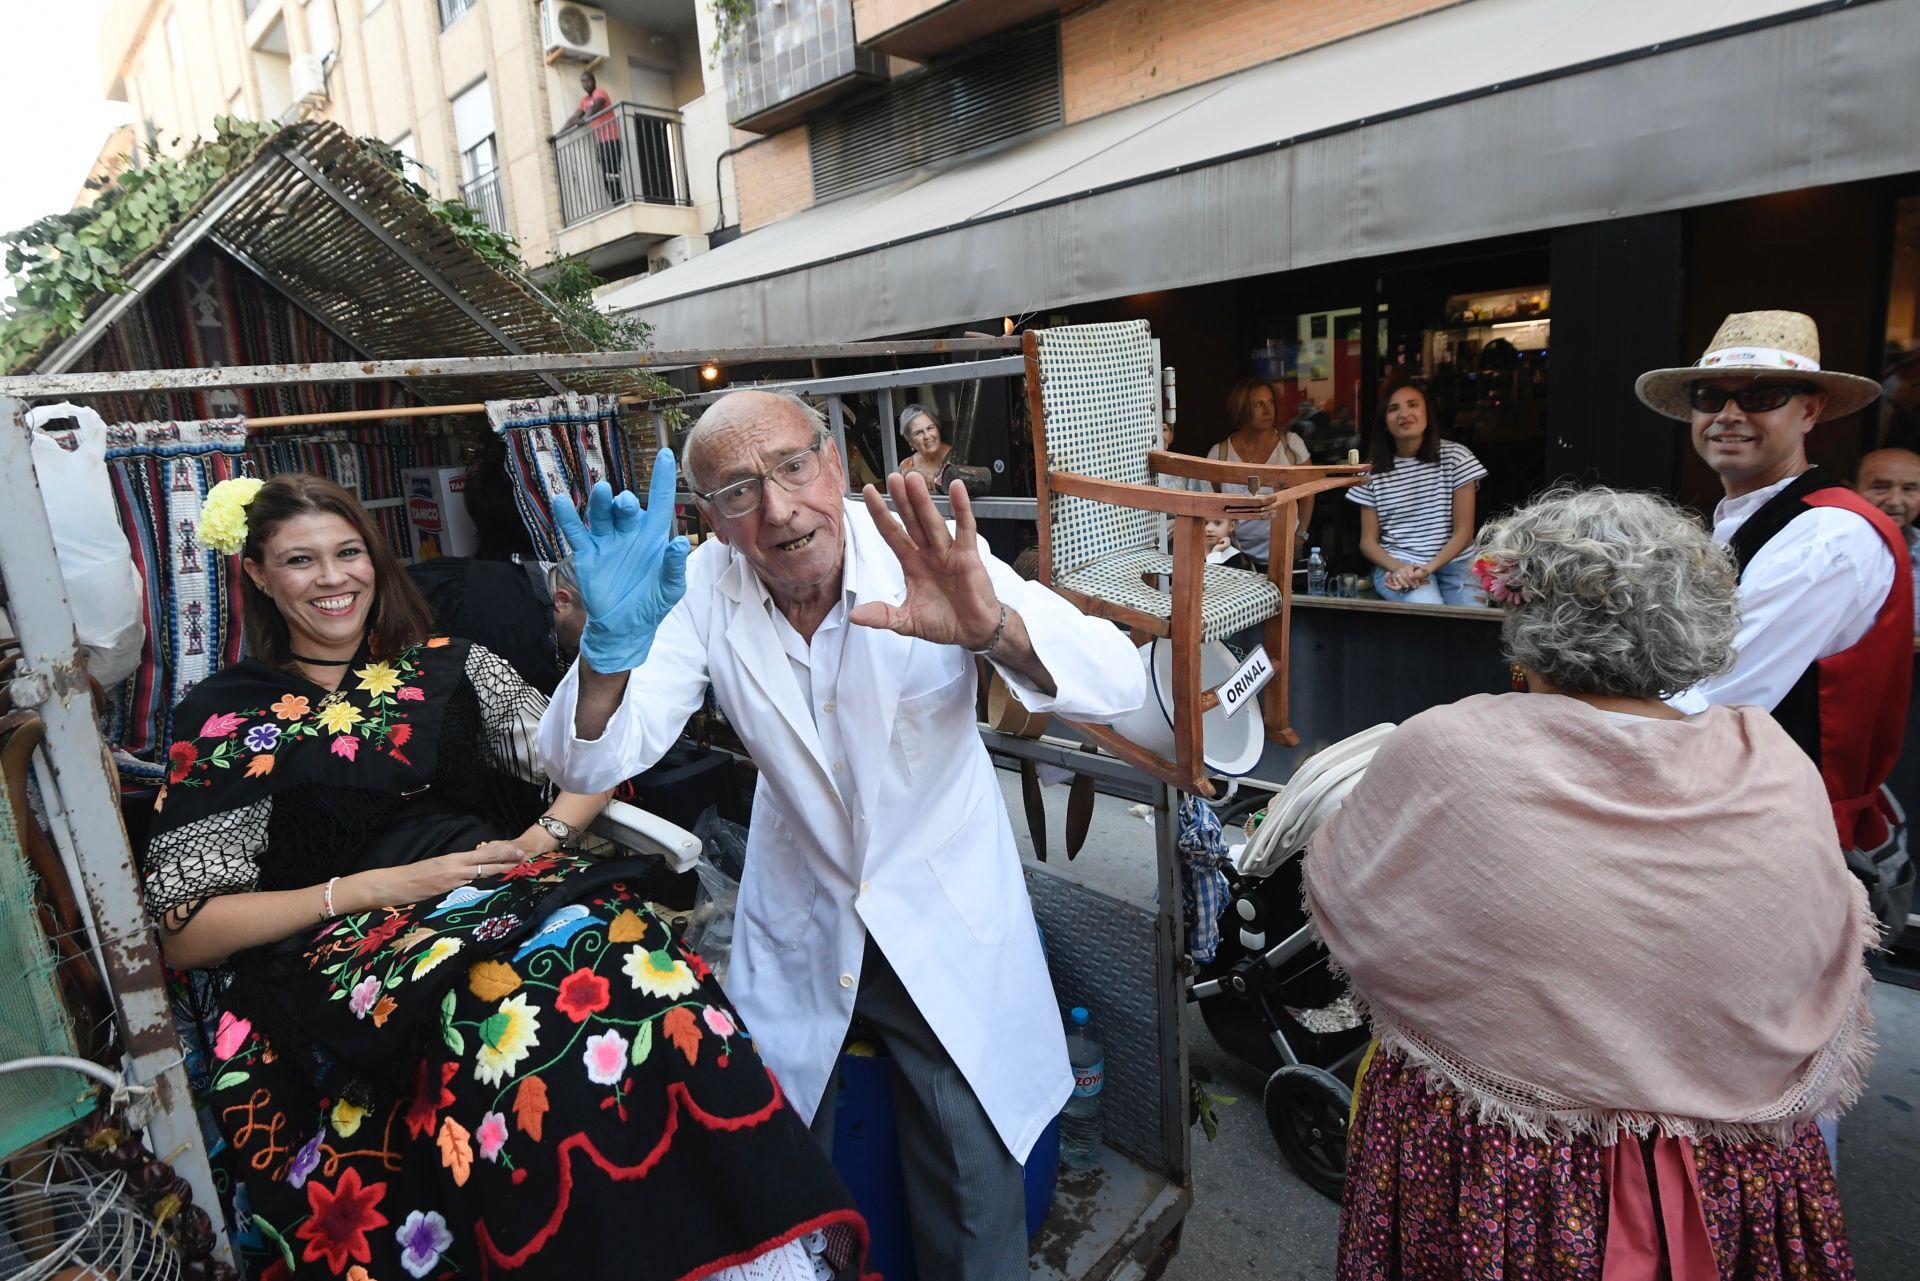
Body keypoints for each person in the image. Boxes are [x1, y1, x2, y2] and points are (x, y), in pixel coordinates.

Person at [142, 473, 867, 1281]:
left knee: (646, 967)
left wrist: (544, 834)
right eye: (300, 560)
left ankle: (747, 1257)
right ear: (257, 573)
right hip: (349, 937)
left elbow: (592, 754)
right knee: (517, 1022)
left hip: (507, 890)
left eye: (348, 552)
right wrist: (372, 889)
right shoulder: (228, 715)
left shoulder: (452, 667)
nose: (332, 577)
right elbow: (188, 930)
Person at [535, 391, 1146, 1281]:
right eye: (739, 491)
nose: (779, 509)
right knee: (780, 1176)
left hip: (944, 916)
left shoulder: (918, 546)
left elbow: (1116, 677)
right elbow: (593, 755)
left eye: (791, 467)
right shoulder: (704, 585)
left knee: (974, 1190)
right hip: (806, 911)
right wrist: (605, 656)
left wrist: (993, 632)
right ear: (711, 518)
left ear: (832, 461)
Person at [1309, 487, 1876, 1281]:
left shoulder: (1451, 746)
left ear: (1526, 622)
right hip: (1731, 1174)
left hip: (1502, 1169)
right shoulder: (1772, 757)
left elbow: (1354, 894)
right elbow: (1807, 945)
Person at [1643, 312, 1911, 889]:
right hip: (1736, 813)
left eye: (1761, 396)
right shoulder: (1756, 519)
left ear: (1810, 411)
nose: (1728, 414)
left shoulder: (1827, 535)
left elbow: (1713, 699)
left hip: (1778, 833)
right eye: (1710, 396)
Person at [1347, 374, 1487, 604]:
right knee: (1428, 607)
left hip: (1457, 563)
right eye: (1393, 409)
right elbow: (1368, 542)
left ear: (1427, 413)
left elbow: (1464, 533)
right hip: (1397, 564)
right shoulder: (1372, 470)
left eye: (1413, 405)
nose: (1404, 414)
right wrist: (1399, 568)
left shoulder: (1457, 457)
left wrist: (1427, 569)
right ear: (1385, 421)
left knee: (1472, 616)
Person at [1192, 377, 1313, 571]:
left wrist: (1300, 535)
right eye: (1259, 404)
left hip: (1285, 548)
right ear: (1241, 409)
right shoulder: (1219, 453)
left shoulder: (1291, 444)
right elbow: (1208, 506)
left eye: (1270, 402)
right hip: (1235, 554)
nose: (1267, 410)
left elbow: (1309, 492)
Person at [1853, 446, 1920, 627]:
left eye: (1909, 489)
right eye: (1880, 488)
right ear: (1851, 490)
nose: (1895, 501)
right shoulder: (1832, 547)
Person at [894, 403, 986, 496]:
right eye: (919, 433)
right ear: (910, 442)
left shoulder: (958, 457)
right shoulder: (906, 467)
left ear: (938, 429)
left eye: (930, 428)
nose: (927, 436)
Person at [559, 70, 623, 203]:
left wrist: (580, 120)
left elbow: (590, 113)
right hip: (601, 142)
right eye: (583, 81)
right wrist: (557, 136)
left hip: (612, 140)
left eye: (588, 80)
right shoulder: (584, 101)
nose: (586, 84)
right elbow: (573, 119)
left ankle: (620, 202)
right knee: (606, 175)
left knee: (612, 173)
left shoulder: (600, 93)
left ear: (594, 81)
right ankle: (617, 202)